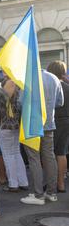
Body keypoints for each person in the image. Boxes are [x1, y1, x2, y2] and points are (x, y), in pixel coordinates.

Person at [20, 68, 64, 205]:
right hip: (49, 123)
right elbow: (60, 102)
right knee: (49, 156)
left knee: (34, 158)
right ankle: (51, 192)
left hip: (31, 123)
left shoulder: (27, 78)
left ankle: (38, 195)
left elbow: (20, 102)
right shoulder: (54, 78)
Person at [0, 78, 29, 192]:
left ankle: (13, 183)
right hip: (16, 128)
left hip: (4, 129)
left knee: (8, 156)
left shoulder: (1, 100)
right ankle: (23, 181)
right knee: (17, 154)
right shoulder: (18, 98)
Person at [47, 61, 68, 193]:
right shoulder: (67, 86)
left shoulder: (51, 86)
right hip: (67, 121)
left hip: (55, 121)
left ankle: (53, 183)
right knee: (62, 152)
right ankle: (61, 183)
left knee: (51, 153)